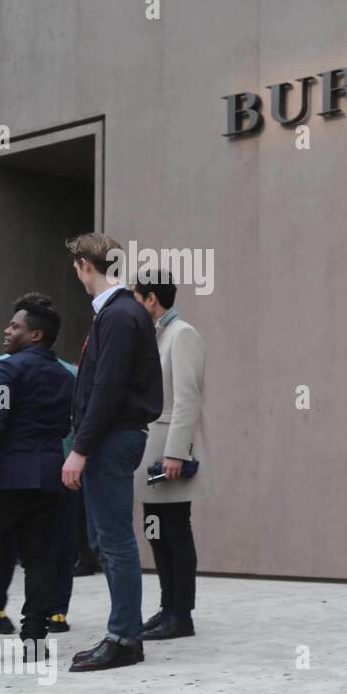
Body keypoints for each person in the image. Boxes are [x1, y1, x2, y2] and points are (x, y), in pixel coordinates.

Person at [63, 233, 162, 672]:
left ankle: (124, 638)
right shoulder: (119, 313)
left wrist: (79, 449)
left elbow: (108, 387)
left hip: (110, 440)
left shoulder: (119, 315)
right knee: (108, 538)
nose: (75, 273)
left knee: (116, 540)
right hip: (110, 438)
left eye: (75, 264)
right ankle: (124, 634)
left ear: (86, 263)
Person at [0, 295, 75, 660]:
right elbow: (64, 426)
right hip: (46, 479)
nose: (7, 331)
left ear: (36, 334)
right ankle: (35, 643)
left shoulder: (8, 370)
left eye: (15, 326)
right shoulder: (64, 375)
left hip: (5, 479)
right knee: (40, 559)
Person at [133, 272, 209, 641]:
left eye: (136, 298)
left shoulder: (183, 334)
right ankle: (167, 607)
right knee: (156, 530)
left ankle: (182, 613)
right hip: (152, 450)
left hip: (169, 452)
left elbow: (187, 398)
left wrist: (176, 453)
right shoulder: (156, 335)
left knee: (175, 529)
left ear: (151, 299)